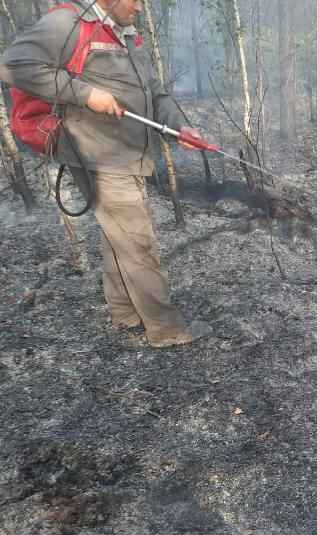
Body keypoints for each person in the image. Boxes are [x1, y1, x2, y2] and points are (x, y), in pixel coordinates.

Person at [0, 0, 211, 348]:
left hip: (129, 154)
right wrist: (84, 93)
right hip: (98, 153)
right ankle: (167, 330)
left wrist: (180, 127)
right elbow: (13, 64)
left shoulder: (126, 34)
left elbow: (154, 91)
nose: (141, 8)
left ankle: (125, 313)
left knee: (120, 237)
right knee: (137, 242)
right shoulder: (66, 21)